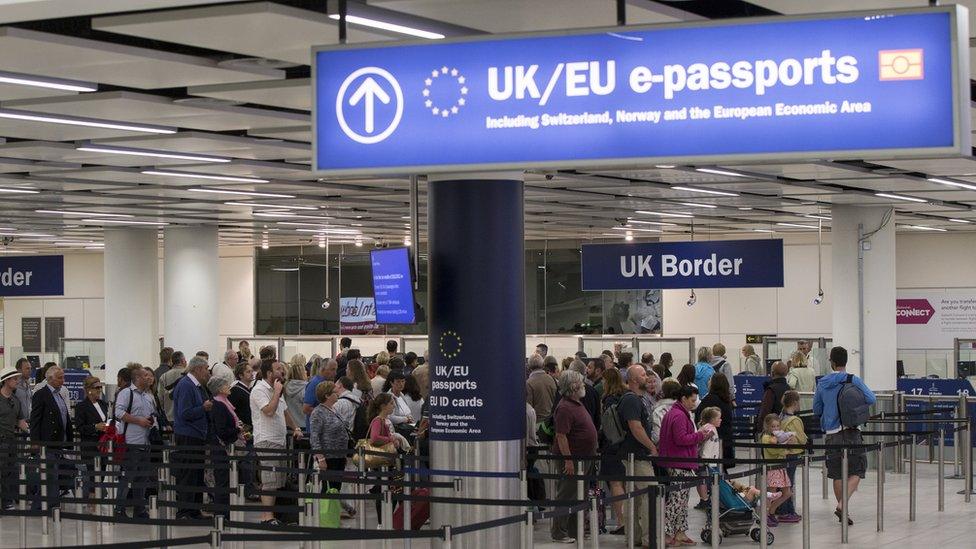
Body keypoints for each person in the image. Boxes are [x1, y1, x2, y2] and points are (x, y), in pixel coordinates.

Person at [813, 346, 875, 526]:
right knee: (857, 470)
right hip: (851, 431)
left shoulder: (822, 382)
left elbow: (817, 409)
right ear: (846, 361)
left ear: (831, 362)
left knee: (837, 473)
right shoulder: (853, 380)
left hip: (831, 434)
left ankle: (843, 508)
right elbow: (871, 399)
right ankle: (842, 505)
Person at [251, 360, 303, 525]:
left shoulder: (277, 391)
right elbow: (269, 410)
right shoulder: (259, 390)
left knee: (279, 480)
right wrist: (277, 392)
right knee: (270, 480)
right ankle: (266, 517)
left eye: (282, 368)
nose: (282, 372)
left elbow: (285, 411)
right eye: (278, 369)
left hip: (279, 440)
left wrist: (296, 428)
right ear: (268, 373)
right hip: (266, 440)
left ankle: (279, 515)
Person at [659, 385, 710, 546]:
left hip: (680, 461)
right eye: (692, 400)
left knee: (682, 500)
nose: (695, 403)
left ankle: (680, 532)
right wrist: (700, 435)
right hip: (679, 462)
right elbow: (681, 438)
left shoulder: (675, 413)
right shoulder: (679, 415)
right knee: (676, 500)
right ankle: (667, 533)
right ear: (684, 399)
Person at [550, 371, 598, 544]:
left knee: (580, 494)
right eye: (581, 383)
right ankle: (559, 531)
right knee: (566, 494)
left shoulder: (577, 403)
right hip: (571, 460)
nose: (584, 386)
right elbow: (561, 436)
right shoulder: (564, 407)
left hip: (584, 459)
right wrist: (568, 460)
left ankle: (573, 529)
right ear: (573, 387)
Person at [620, 365, 659, 547]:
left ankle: (635, 536)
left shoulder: (639, 398)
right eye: (643, 375)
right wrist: (651, 447)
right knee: (650, 493)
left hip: (636, 454)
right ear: (634, 379)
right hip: (636, 455)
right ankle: (648, 537)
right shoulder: (631, 400)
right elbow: (636, 427)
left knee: (635, 497)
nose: (647, 377)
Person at [171, 357, 212, 519]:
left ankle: (194, 509)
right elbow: (185, 413)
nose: (208, 373)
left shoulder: (197, 386)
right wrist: (203, 408)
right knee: (188, 474)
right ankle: (185, 511)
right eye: (206, 369)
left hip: (197, 435)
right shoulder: (186, 385)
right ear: (197, 369)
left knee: (196, 474)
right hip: (188, 435)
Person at [114, 365, 156, 519]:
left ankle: (140, 509)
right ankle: (119, 509)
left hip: (146, 442)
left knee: (142, 477)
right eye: (146, 376)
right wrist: (138, 420)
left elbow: (151, 414)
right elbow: (118, 412)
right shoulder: (127, 393)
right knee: (127, 477)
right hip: (131, 442)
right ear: (138, 378)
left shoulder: (148, 396)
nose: (149, 378)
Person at [29, 365, 73, 509]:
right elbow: (35, 419)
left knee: (53, 474)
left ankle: (45, 505)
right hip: (46, 442)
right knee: (50, 475)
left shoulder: (59, 394)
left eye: (63, 377)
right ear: (50, 378)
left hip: (59, 442)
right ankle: (48, 505)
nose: (63, 380)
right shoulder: (41, 394)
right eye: (60, 378)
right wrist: (35, 442)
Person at [599, 367, 628, 534]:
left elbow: (608, 426)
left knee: (615, 482)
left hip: (612, 446)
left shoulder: (609, 399)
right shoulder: (625, 395)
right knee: (624, 482)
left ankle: (621, 521)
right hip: (624, 445)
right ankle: (627, 520)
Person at [209, 378, 242, 519]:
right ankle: (221, 512)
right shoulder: (219, 405)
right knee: (222, 480)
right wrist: (237, 430)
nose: (228, 386)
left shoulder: (224, 403)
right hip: (221, 448)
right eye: (225, 385)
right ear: (220, 388)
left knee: (226, 480)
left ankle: (225, 511)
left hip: (225, 447)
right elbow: (221, 430)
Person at [74, 376, 109, 506]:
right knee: (94, 474)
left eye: (100, 387)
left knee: (103, 472)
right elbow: (80, 427)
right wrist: (95, 426)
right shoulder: (81, 406)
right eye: (96, 388)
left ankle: (96, 498)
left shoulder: (103, 404)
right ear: (89, 390)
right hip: (90, 445)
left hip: (103, 444)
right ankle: (93, 501)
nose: (99, 390)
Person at [309, 381, 350, 491]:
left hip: (339, 456)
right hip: (328, 457)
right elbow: (314, 437)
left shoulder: (334, 409)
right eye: (334, 392)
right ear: (327, 395)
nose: (337, 394)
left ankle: (333, 508)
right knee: (328, 488)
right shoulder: (318, 413)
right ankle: (326, 508)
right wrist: (321, 458)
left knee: (336, 488)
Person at [774, 391, 807, 523]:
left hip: (782, 453)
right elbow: (802, 438)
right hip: (792, 454)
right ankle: (787, 511)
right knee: (789, 483)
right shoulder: (795, 420)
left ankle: (783, 509)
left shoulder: (780, 417)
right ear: (794, 403)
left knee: (783, 482)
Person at [0, 367, 28, 510]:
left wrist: (30, 432)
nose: (17, 381)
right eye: (14, 379)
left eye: (18, 378)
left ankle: (7, 499)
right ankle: (5, 502)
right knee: (2, 470)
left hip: (11, 440)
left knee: (10, 470)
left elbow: (20, 421)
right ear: (6, 380)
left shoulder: (15, 400)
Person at [759, 414, 794, 526]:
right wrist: (784, 447)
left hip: (781, 468)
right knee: (771, 494)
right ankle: (765, 516)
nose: (776, 429)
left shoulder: (779, 437)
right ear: (767, 427)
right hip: (772, 468)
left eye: (778, 426)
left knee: (787, 493)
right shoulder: (766, 438)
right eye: (773, 426)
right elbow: (773, 451)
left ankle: (771, 511)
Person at [696, 373, 735, 471]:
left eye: (710, 380)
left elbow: (699, 416)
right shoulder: (726, 400)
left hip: (712, 442)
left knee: (712, 474)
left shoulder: (708, 400)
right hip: (725, 438)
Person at [228, 362, 255, 497]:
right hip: (244, 430)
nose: (252, 374)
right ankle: (247, 489)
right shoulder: (237, 390)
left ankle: (248, 487)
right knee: (246, 459)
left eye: (251, 371)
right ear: (240, 374)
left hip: (249, 428)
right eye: (248, 372)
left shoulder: (247, 389)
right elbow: (232, 410)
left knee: (249, 458)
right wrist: (241, 427)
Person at [756, 361, 790, 436]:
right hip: (786, 428)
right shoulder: (790, 389)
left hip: (772, 430)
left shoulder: (771, 390)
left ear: (772, 373)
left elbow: (765, 411)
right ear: (786, 373)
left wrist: (760, 429)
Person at [303, 358, 332, 431]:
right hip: (316, 430)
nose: (335, 372)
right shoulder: (314, 383)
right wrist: (327, 413)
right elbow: (306, 408)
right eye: (332, 369)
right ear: (323, 369)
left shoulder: (326, 383)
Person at [526, 354, 557, 422]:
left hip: (537, 422)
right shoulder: (552, 379)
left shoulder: (529, 383)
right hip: (551, 421)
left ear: (529, 366)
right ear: (543, 365)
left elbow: (529, 408)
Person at [158, 350, 187, 421]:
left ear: (172, 361)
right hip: (185, 416)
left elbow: (160, 398)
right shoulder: (188, 375)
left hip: (170, 417)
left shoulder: (164, 376)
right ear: (183, 361)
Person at [284, 358, 309, 431]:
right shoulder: (306, 388)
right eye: (304, 370)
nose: (306, 371)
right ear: (301, 373)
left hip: (289, 425)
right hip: (304, 425)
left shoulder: (285, 388)